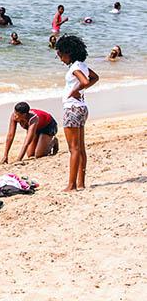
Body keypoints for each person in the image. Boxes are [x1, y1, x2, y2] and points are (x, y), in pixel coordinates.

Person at [56, 35, 99, 191]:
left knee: (73, 149)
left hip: (72, 108)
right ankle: (81, 183)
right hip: (81, 107)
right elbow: (95, 78)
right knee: (80, 148)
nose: (60, 59)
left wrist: (75, 90)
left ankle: (71, 185)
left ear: (68, 52)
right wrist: (79, 90)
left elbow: (86, 82)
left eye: (60, 55)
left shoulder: (75, 68)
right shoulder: (82, 65)